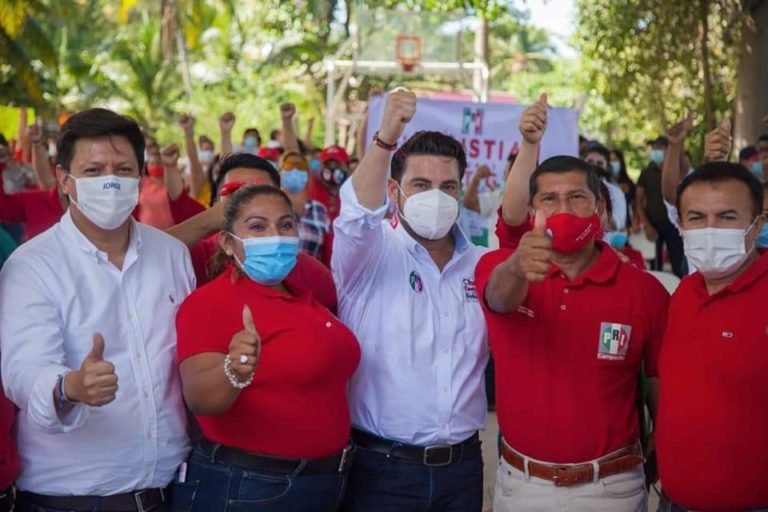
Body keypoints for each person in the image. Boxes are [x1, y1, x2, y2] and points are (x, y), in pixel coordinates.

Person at [0, 107, 193, 512]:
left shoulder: (172, 255)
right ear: (64, 180)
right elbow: (22, 369)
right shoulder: (32, 265)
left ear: (141, 176)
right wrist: (70, 387)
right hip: (72, 500)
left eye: (123, 169)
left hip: (171, 492)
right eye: (94, 170)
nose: (111, 181)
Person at [487, 97, 668, 511]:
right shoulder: (505, 269)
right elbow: (498, 297)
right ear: (532, 211)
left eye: (577, 198)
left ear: (601, 209)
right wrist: (529, 143)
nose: (563, 210)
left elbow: (659, 388)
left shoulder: (645, 291)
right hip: (522, 486)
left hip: (612, 488)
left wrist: (656, 456)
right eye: (549, 200)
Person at [335, 88, 489, 512]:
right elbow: (356, 215)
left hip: (463, 469)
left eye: (447, 186)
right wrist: (385, 137)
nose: (435, 197)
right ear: (394, 189)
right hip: (381, 470)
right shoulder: (367, 253)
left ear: (460, 192)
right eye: (420, 185)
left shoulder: (482, 265)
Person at [173, 184, 359, 511]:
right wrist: (233, 368)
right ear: (228, 243)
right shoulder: (211, 303)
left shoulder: (305, 296)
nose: (275, 235)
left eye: (285, 224)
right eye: (258, 226)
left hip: (325, 484)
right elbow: (200, 398)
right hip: (252, 488)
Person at [656, 162, 768, 512]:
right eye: (696, 217)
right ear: (681, 225)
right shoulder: (684, 293)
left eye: (727, 217)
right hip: (674, 501)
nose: (710, 229)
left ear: (757, 225)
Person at [187, 152, 338, 313]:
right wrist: (208, 220)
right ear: (217, 204)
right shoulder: (196, 258)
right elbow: (157, 249)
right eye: (236, 196)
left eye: (263, 194)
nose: (253, 206)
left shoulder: (311, 274)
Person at [637, 135, 686, 276]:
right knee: (654, 269)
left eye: (659, 148)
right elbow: (639, 201)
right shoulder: (646, 173)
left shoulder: (677, 170)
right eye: (653, 149)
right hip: (653, 225)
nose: (655, 151)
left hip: (674, 225)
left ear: (667, 150)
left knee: (679, 266)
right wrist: (646, 225)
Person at [280, 150, 331, 265]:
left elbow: (327, 256)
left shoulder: (320, 211)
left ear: (308, 174)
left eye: (300, 167)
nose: (295, 171)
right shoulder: (270, 208)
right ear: (280, 172)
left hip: (311, 280)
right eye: (289, 166)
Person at [583, 141, 628, 231]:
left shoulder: (614, 191)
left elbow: (619, 220)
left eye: (600, 163)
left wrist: (609, 220)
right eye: (590, 161)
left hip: (603, 240)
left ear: (607, 167)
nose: (594, 166)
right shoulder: (571, 187)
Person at [308, 145, 350, 221]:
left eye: (337, 165)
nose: (332, 170)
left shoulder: (353, 195)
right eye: (328, 165)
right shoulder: (312, 188)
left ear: (347, 167)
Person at [609, 148, 638, 229]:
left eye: (614, 160)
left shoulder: (629, 183)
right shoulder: (602, 182)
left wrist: (635, 222)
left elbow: (634, 205)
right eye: (610, 160)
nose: (612, 163)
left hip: (625, 227)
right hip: (607, 228)